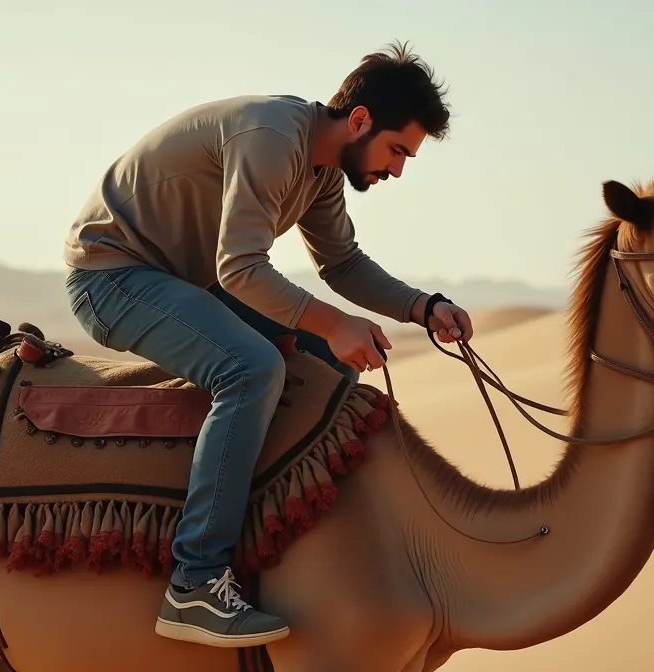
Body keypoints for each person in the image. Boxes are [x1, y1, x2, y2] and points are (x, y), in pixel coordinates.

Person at [61, 41, 474, 649]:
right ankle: (196, 583)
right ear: (359, 120)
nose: (397, 170)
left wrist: (424, 308)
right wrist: (336, 323)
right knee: (251, 369)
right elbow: (241, 269)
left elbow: (342, 263)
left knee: (325, 358)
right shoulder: (274, 135)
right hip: (113, 277)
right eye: (396, 150)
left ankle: (272, 523)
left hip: (183, 282)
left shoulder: (324, 171)